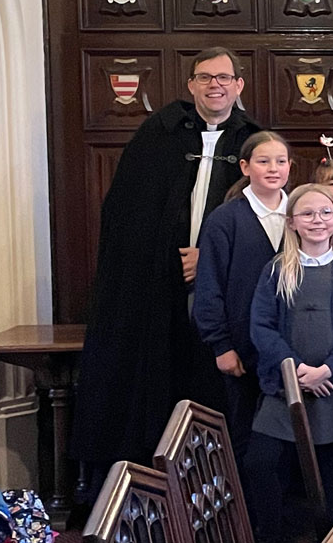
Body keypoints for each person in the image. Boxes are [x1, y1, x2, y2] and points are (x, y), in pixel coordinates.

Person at [74, 47, 262, 467]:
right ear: (191, 85)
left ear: (239, 85)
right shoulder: (158, 135)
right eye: (206, 77)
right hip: (159, 291)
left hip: (225, 299)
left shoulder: (254, 141)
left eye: (224, 78)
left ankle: (222, 484)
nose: (216, 85)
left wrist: (211, 262)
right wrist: (167, 259)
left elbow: (268, 221)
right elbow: (127, 215)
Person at [246, 184, 333, 543]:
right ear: (292, 222)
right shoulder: (277, 270)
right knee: (261, 464)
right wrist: (296, 369)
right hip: (285, 386)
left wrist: (327, 368)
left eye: (325, 213)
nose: (317, 220)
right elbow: (261, 327)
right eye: (308, 214)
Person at [192, 131, 292, 474]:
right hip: (243, 352)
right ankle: (249, 523)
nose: (273, 168)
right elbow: (209, 287)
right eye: (264, 161)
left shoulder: (303, 213)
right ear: (246, 167)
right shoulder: (226, 219)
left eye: (280, 161)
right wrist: (221, 345)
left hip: (295, 351)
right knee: (249, 440)